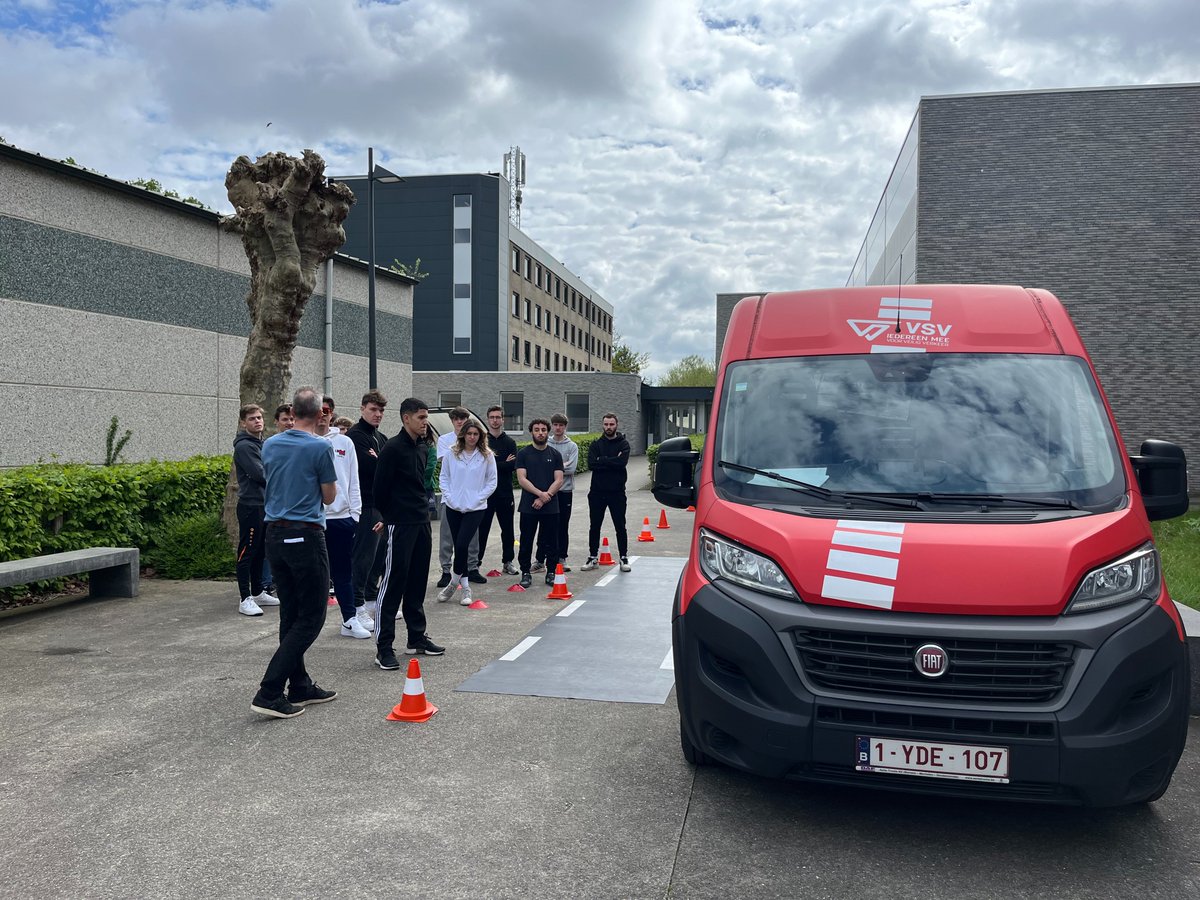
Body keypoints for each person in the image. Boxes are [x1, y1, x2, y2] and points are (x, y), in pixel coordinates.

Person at [250, 387, 338, 719]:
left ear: (292, 411)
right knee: (312, 616)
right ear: (320, 415)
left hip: (275, 533)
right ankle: (270, 690)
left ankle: (299, 684)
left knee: (291, 613)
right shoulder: (321, 446)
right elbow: (329, 497)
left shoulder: (270, 444)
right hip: (306, 534)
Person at [373, 397, 445, 666]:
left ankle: (416, 638)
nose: (425, 422)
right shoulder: (392, 448)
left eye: (426, 417)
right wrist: (386, 518)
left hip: (421, 522)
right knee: (392, 584)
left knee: (417, 582)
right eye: (421, 417)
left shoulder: (424, 448)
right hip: (399, 525)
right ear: (406, 418)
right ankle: (384, 647)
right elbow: (379, 490)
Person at [315, 397, 369, 639]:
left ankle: (349, 619)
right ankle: (308, 625)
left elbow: (354, 480)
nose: (322, 414)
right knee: (315, 575)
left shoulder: (344, 442)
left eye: (326, 410)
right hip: (312, 520)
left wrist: (354, 514)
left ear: (332, 413)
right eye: (318, 410)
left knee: (343, 573)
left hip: (341, 519)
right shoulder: (304, 441)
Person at [436, 420, 497, 606]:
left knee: (463, 544)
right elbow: (444, 477)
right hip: (454, 506)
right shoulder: (452, 453)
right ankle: (464, 585)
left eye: (476, 434)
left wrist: (478, 498)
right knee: (457, 545)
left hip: (475, 508)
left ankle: (455, 583)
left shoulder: (486, 456)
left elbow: (492, 481)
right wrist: (450, 497)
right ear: (463, 434)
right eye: (469, 433)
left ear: (480, 436)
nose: (472, 437)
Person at [233, 403, 280, 617]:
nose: (257, 421)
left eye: (259, 417)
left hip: (264, 505)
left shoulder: (260, 444)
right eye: (252, 418)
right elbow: (261, 474)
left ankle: (258, 591)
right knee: (247, 551)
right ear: (243, 423)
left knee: (260, 552)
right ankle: (245, 598)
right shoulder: (244, 447)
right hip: (251, 507)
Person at [347, 390, 388, 628]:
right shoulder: (356, 436)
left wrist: (380, 460)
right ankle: (357, 606)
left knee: (378, 557)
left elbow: (388, 467)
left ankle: (372, 601)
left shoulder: (380, 438)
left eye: (381, 410)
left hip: (381, 505)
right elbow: (374, 468)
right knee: (363, 557)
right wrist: (381, 461)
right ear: (362, 408)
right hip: (364, 505)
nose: (378, 414)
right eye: (373, 409)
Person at [436, 407, 485, 588]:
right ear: (452, 421)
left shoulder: (476, 443)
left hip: (471, 498)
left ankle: (472, 568)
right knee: (447, 535)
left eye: (463, 418)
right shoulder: (445, 440)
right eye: (456, 418)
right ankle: (446, 570)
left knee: (471, 536)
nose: (460, 421)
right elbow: (445, 462)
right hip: (451, 497)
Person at [515, 418, 564, 589]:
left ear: (548, 432)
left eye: (544, 429)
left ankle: (551, 572)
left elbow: (559, 479)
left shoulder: (555, 454)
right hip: (529, 505)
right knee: (526, 540)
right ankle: (525, 573)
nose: (540, 432)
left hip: (551, 506)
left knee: (552, 541)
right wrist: (540, 494)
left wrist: (547, 496)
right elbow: (522, 479)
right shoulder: (523, 454)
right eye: (537, 429)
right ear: (531, 432)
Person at [582, 413, 632, 573]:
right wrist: (611, 460)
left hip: (617, 492)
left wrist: (602, 460)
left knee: (620, 526)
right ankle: (592, 557)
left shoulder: (624, 444)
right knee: (594, 526)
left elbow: (621, 463)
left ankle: (623, 557)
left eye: (611, 424)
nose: (608, 427)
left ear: (616, 425)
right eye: (606, 424)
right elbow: (591, 464)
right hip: (597, 492)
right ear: (602, 425)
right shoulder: (596, 444)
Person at [478, 405, 519, 576]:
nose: (495, 420)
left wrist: (493, 464)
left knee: (508, 530)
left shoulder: (510, 442)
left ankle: (507, 562)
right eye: (492, 417)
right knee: (482, 530)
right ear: (488, 419)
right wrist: (502, 463)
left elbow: (513, 466)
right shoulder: (481, 441)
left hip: (505, 493)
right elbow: (480, 467)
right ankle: (475, 563)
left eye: (498, 417)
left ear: (503, 419)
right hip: (485, 495)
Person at [541, 413, 578, 573]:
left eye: (561, 425)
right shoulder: (545, 444)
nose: (558, 428)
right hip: (546, 492)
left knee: (563, 525)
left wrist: (554, 468)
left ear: (565, 427)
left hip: (564, 491)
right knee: (545, 526)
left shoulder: (572, 446)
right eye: (555, 424)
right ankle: (540, 559)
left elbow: (571, 469)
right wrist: (560, 466)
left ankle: (562, 558)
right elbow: (541, 467)